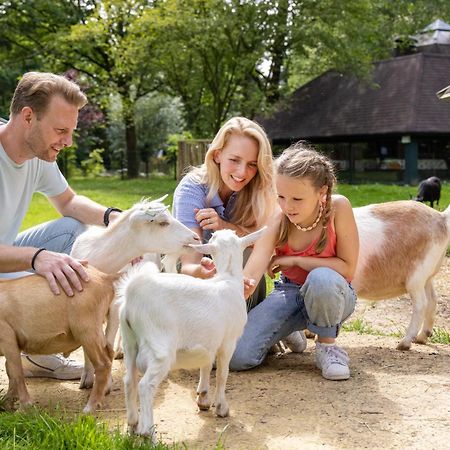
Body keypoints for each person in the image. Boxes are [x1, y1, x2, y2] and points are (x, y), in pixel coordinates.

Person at [0, 72, 122, 379]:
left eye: (71, 131)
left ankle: (39, 353)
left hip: (6, 257)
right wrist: (37, 257)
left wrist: (114, 218)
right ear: (28, 116)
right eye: (60, 130)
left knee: (74, 229)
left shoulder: (39, 155)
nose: (67, 141)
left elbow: (68, 202)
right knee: (48, 256)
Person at [230, 142, 359, 380]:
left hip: (334, 295)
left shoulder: (339, 207)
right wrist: (239, 289)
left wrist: (296, 260)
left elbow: (347, 268)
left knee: (322, 278)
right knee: (237, 357)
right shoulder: (279, 219)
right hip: (290, 293)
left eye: (297, 199)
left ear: (322, 192)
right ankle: (287, 330)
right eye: (281, 196)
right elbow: (253, 269)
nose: (287, 206)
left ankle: (327, 347)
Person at [172, 116, 277, 310]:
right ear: (217, 155)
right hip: (195, 276)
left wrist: (224, 226)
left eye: (252, 164)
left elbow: (265, 243)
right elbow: (188, 264)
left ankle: (250, 324)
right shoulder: (193, 188)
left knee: (244, 255)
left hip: (242, 283)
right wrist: (203, 272)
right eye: (235, 160)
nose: (242, 172)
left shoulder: (259, 189)